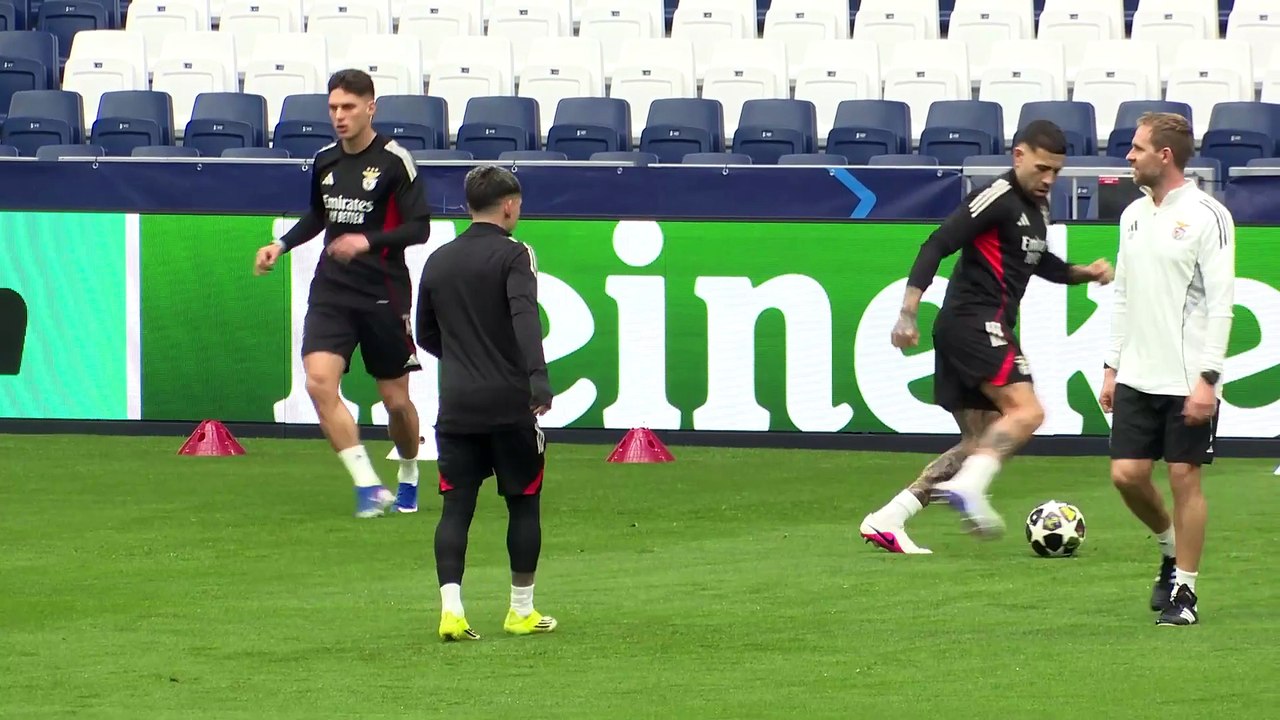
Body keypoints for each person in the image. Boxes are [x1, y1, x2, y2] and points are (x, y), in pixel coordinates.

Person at [860, 120, 1115, 554]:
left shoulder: (1038, 208)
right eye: (1041, 168)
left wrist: (1083, 273)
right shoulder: (997, 197)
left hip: (974, 327)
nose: (1049, 179)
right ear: (1018, 156)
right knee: (1027, 413)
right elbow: (937, 243)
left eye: (1056, 171)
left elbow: (1040, 263)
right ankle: (971, 488)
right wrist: (907, 312)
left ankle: (888, 519)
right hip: (976, 323)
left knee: (980, 442)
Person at [253, 69, 431, 518]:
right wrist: (282, 244)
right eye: (333, 108)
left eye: (348, 107)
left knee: (395, 402)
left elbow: (420, 227)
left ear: (371, 107)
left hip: (383, 293)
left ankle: (408, 469)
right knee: (318, 383)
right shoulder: (325, 160)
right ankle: (368, 485)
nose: (339, 116)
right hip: (332, 291)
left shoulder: (395, 161)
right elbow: (319, 214)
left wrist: (366, 241)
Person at [1099, 112, 1235, 627]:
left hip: (1187, 379)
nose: (1128, 157)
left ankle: (1187, 592)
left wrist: (1208, 379)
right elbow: (1123, 294)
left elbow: (1222, 303)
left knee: (1184, 479)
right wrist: (1112, 366)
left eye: (1136, 149)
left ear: (1165, 156)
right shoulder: (1132, 214)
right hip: (1136, 372)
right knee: (1127, 476)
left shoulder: (1208, 215)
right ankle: (1169, 549)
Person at [415, 165, 556, 642]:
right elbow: (524, 316)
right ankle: (520, 609)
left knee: (456, 508)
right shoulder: (517, 255)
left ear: (468, 206)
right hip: (508, 402)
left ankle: (451, 610)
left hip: (456, 404)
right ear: (510, 205)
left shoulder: (439, 260)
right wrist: (537, 378)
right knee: (524, 501)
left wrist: (463, 359)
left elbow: (425, 333)